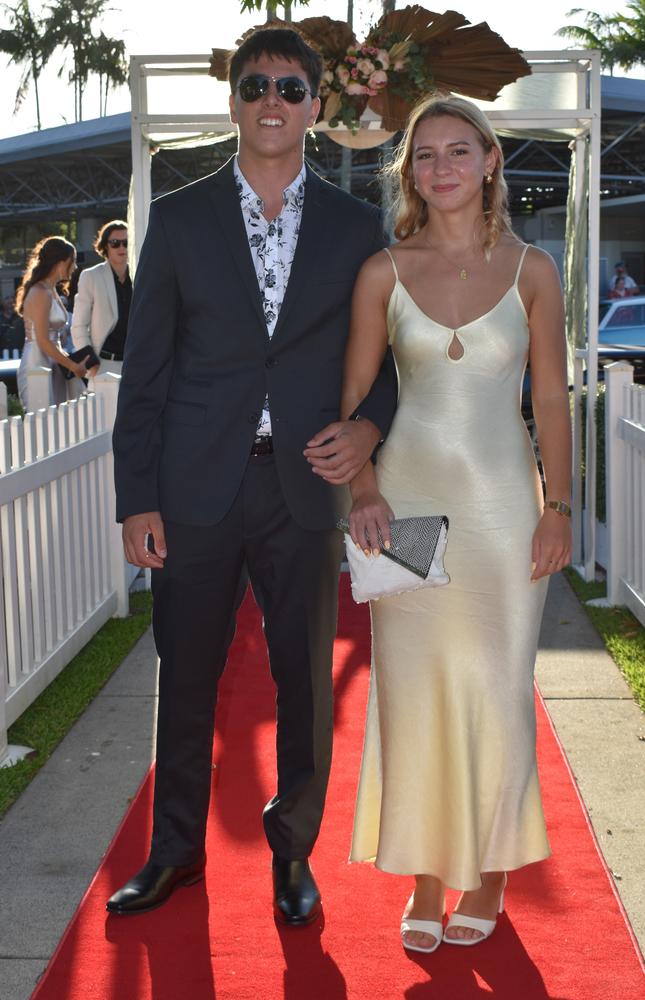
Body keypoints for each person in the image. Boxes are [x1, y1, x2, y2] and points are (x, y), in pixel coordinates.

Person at [109, 27, 397, 923]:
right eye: (255, 85)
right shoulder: (184, 217)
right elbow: (145, 369)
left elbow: (389, 360)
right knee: (186, 674)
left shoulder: (357, 228)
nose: (272, 101)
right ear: (234, 100)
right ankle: (174, 853)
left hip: (303, 486)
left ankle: (293, 855)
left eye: (290, 87)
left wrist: (367, 425)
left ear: (317, 106)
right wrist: (137, 498)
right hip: (194, 488)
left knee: (306, 678)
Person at [339, 95, 572, 954]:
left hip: (507, 511)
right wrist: (361, 488)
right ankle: (429, 879)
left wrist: (558, 505)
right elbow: (355, 400)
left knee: (499, 691)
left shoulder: (533, 269)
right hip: (406, 508)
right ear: (410, 174)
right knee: (414, 692)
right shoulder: (382, 272)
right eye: (425, 155)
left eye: (458, 150)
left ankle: (496, 870)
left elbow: (549, 397)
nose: (442, 166)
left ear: (489, 161)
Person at [15, 237, 88, 411]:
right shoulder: (41, 292)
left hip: (54, 362)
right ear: (61, 263)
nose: (75, 267)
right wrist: (73, 366)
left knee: (56, 424)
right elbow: (42, 340)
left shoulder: (50, 290)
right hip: (37, 363)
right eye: (73, 261)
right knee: (42, 423)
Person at [71, 220, 131, 376]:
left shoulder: (140, 275)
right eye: (115, 243)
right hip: (103, 365)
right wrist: (90, 360)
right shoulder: (91, 276)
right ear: (105, 245)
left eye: (126, 242)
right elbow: (78, 325)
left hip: (136, 363)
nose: (121, 247)